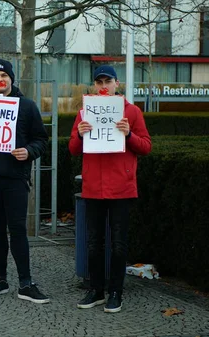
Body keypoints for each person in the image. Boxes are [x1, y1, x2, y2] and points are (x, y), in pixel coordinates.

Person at [69, 65, 152, 313]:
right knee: (94, 243)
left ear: (117, 83)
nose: (103, 86)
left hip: (121, 188)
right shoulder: (85, 112)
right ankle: (96, 290)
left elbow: (146, 146)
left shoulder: (133, 112)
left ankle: (116, 292)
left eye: (108, 81)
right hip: (93, 187)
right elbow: (73, 149)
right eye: (99, 82)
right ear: (94, 85)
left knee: (119, 244)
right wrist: (80, 135)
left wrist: (128, 135)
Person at [0, 59, 50, 304]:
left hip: (15, 178)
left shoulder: (26, 107)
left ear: (12, 79)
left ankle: (26, 283)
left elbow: (41, 140)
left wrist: (28, 151)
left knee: (17, 231)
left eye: (4, 75)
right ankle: (0, 278)